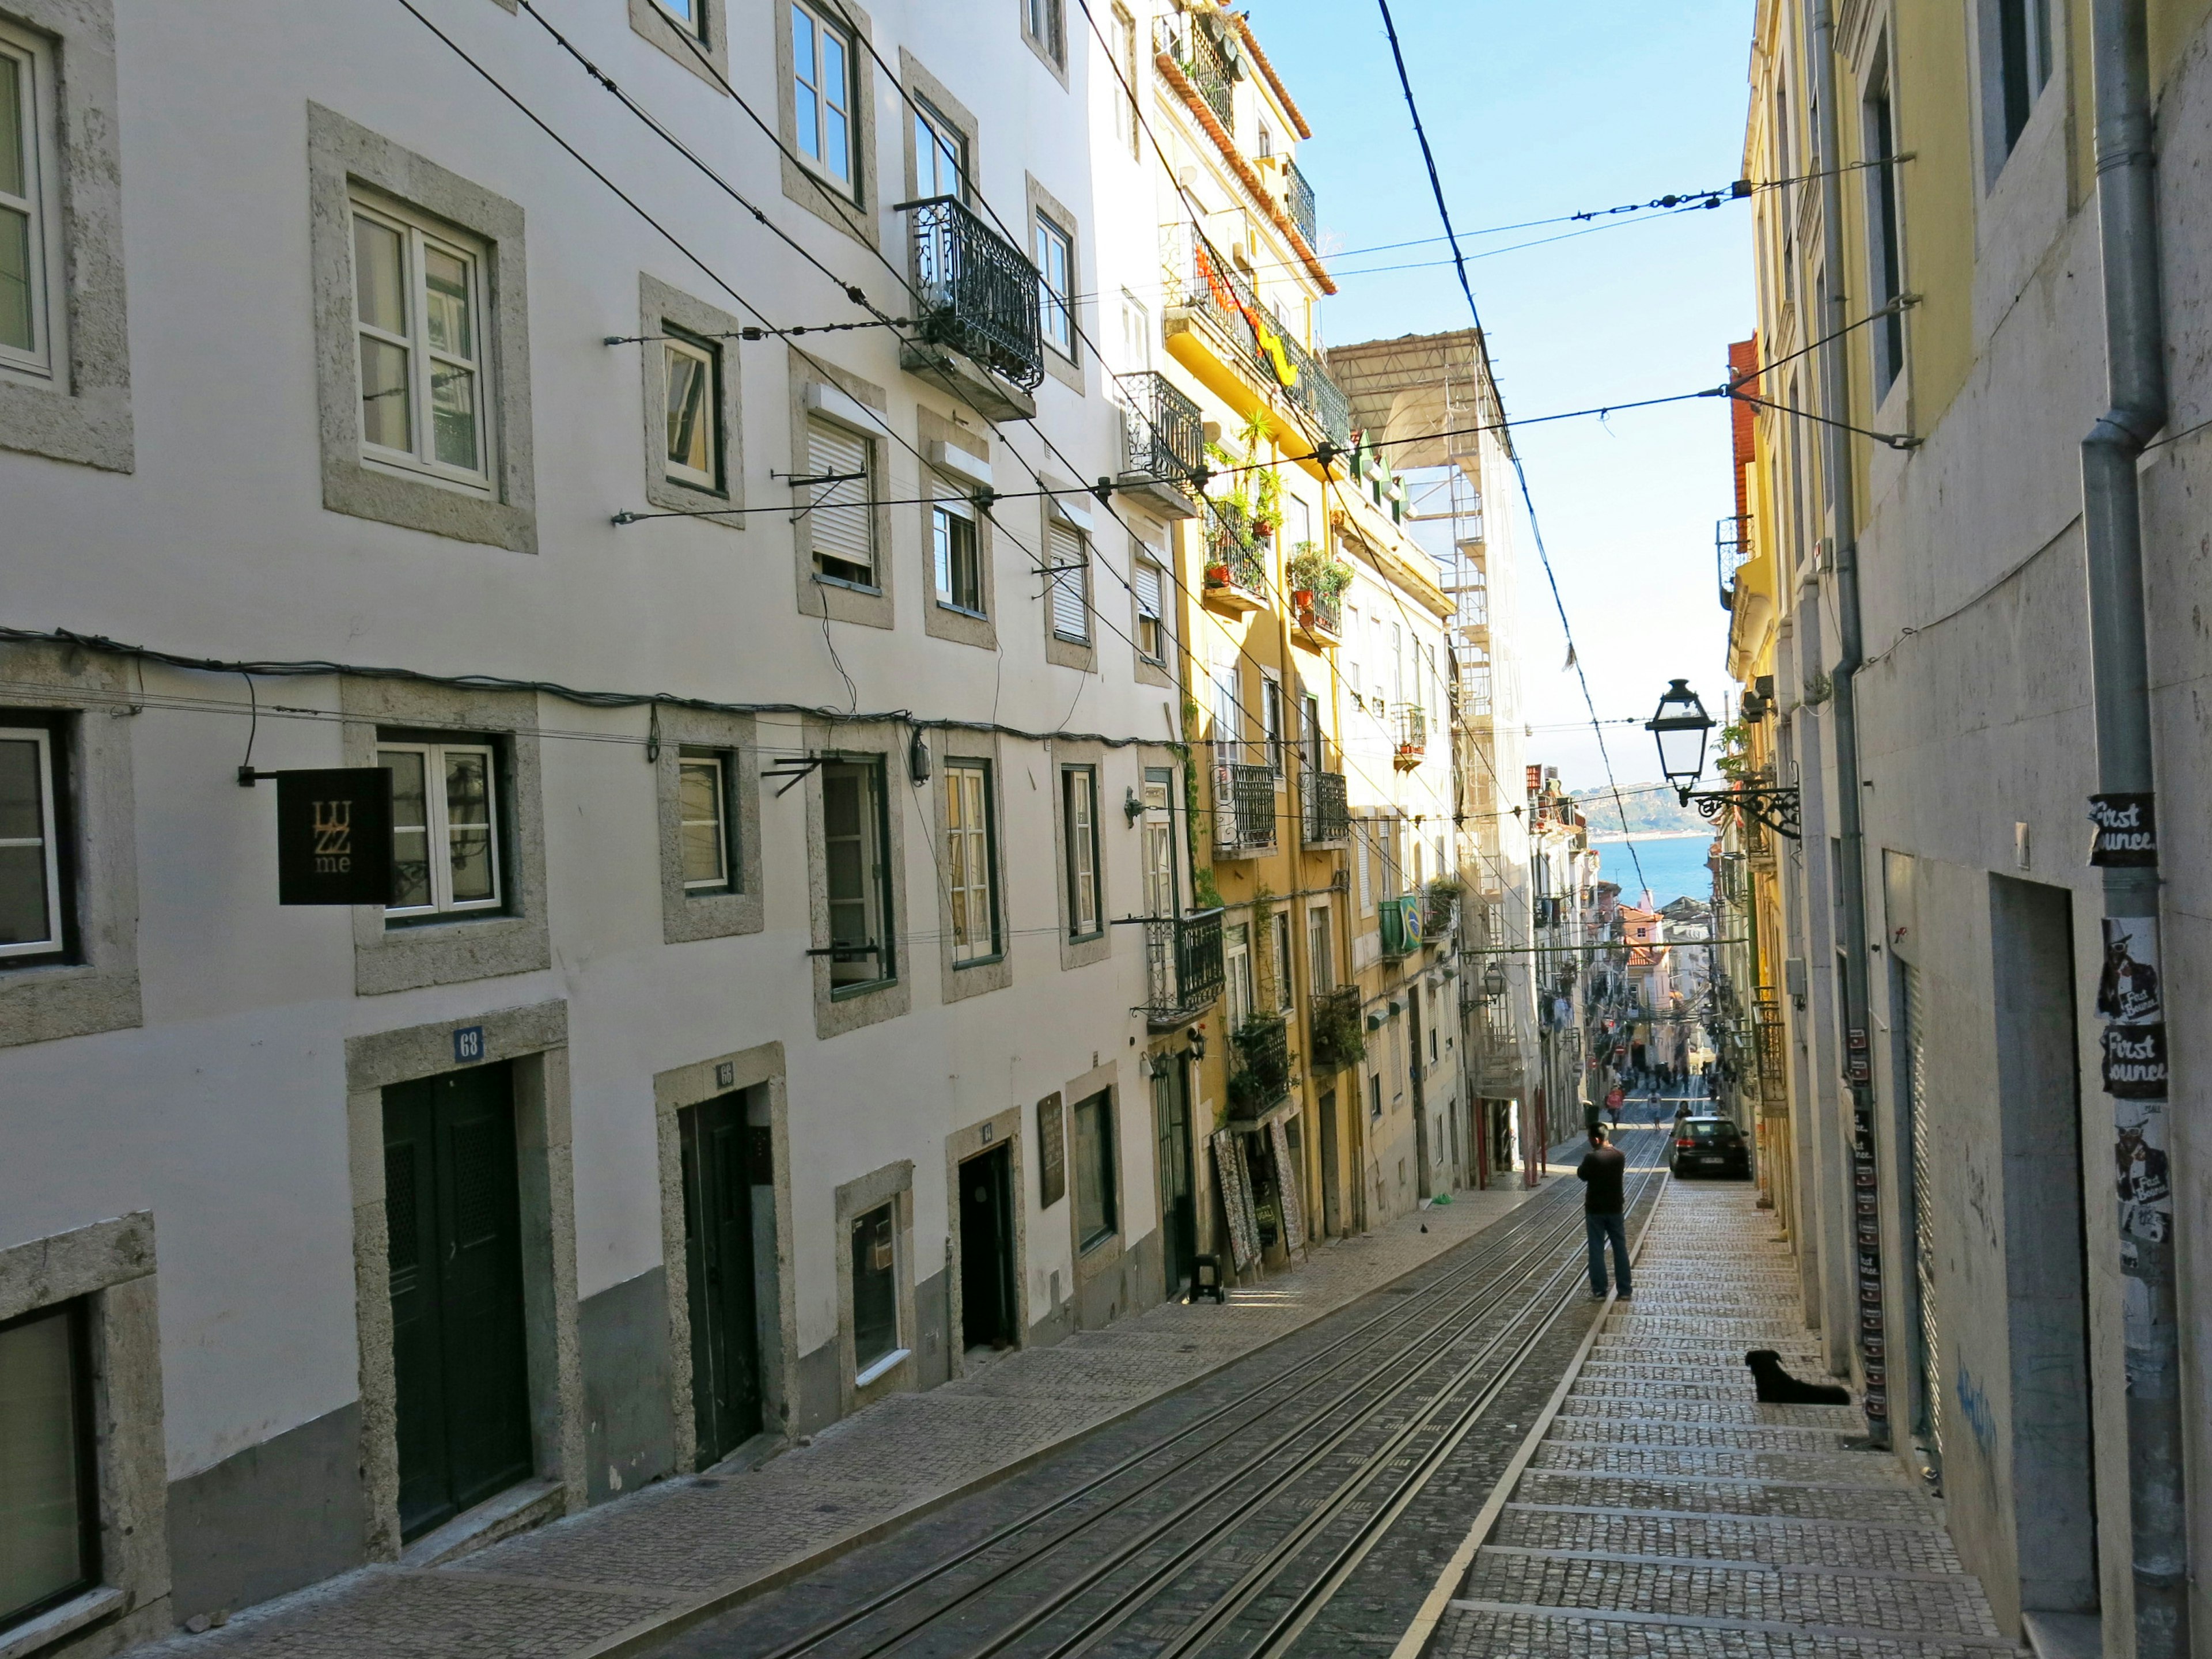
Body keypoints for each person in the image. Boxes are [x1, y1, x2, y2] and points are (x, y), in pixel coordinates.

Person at [1577, 1124, 1632, 1300]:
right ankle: (1625, 1289)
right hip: (1615, 1208)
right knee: (1620, 1248)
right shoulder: (1620, 1156)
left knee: (1596, 1249)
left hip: (1595, 1209)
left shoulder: (1592, 1158)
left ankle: (1600, 1290)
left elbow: (1582, 1175)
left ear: (1596, 1139)